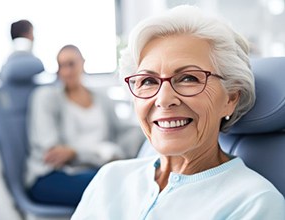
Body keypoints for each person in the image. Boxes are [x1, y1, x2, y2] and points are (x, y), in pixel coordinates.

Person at [71, 5, 285, 219]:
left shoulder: (254, 203)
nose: (163, 100)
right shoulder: (110, 178)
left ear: (230, 98)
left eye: (188, 78)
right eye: (148, 81)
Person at [25, 44, 144, 207]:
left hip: (96, 167)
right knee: (117, 187)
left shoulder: (102, 98)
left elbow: (123, 132)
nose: (66, 72)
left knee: (136, 178)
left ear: (83, 63)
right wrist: (99, 152)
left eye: (71, 64)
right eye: (61, 66)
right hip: (54, 174)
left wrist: (148, 129)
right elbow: (55, 153)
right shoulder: (46, 97)